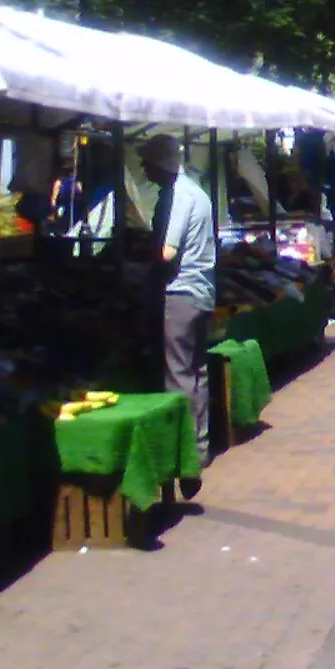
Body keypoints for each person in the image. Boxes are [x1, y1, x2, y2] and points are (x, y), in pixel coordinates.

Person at [140, 133, 217, 469]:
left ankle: (183, 454)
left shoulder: (178, 196)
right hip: (202, 292)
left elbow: (167, 251)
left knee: (179, 375)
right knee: (196, 373)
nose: (144, 171)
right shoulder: (198, 193)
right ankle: (199, 445)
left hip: (181, 293)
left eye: (147, 164)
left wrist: (143, 258)